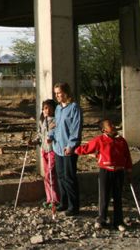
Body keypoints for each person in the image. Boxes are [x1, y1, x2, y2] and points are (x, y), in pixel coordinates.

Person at [75, 119, 132, 231]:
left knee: (118, 197)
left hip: (119, 171)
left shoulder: (121, 141)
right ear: (104, 130)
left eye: (112, 124)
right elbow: (87, 148)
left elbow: (127, 156)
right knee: (104, 197)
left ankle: (118, 222)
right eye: (110, 125)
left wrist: (129, 170)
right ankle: (101, 219)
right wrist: (74, 150)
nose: (113, 126)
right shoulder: (100, 140)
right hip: (105, 170)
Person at [48, 82, 82, 216]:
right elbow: (55, 125)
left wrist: (71, 145)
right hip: (57, 147)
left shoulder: (74, 108)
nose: (57, 96)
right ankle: (64, 202)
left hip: (68, 149)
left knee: (69, 177)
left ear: (66, 93)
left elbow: (76, 128)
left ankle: (74, 206)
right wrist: (51, 136)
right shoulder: (57, 109)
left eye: (59, 93)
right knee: (61, 176)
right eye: (55, 93)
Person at [30, 99, 60, 209]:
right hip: (44, 149)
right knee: (46, 175)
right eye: (44, 108)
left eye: (48, 108)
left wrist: (52, 138)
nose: (46, 110)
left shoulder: (56, 121)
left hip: (53, 150)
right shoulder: (42, 121)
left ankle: (55, 199)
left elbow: (57, 134)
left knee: (51, 174)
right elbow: (39, 134)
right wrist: (34, 141)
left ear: (53, 109)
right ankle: (49, 198)